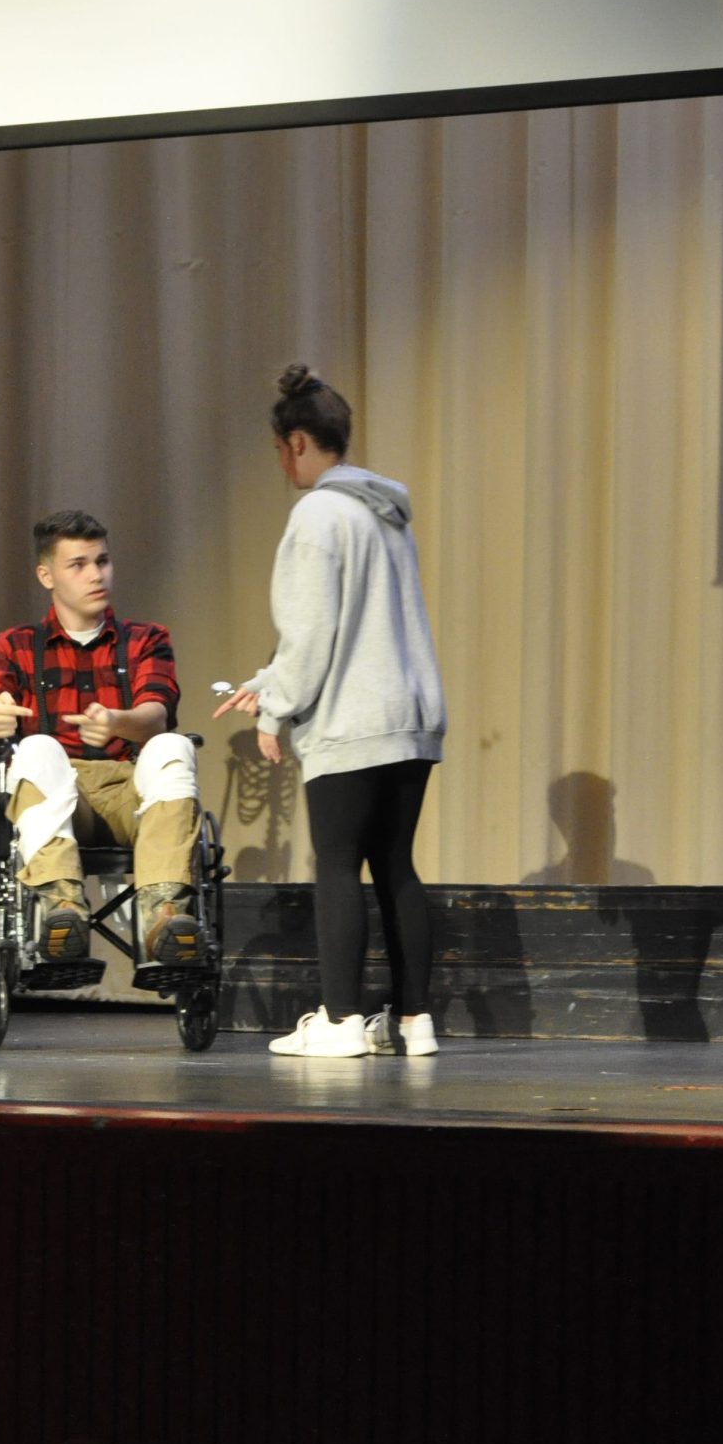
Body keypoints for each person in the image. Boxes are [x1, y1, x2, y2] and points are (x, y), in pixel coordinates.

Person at [214, 365, 446, 1057]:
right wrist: (271, 681)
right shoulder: (383, 510)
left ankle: (341, 1021)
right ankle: (414, 1021)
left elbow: (312, 632)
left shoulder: (318, 514)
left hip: (355, 718)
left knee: (339, 864)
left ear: (294, 443)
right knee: (396, 864)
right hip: (410, 712)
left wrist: (272, 710)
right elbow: (359, 627)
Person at [0, 511, 203, 967]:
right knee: (35, 747)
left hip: (133, 794)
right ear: (46, 575)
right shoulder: (17, 645)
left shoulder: (146, 639)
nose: (96, 574)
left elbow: (158, 712)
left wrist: (117, 721)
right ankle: (64, 909)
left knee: (174, 746)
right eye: (79, 564)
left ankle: (164, 916)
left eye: (103, 561)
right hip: (61, 799)